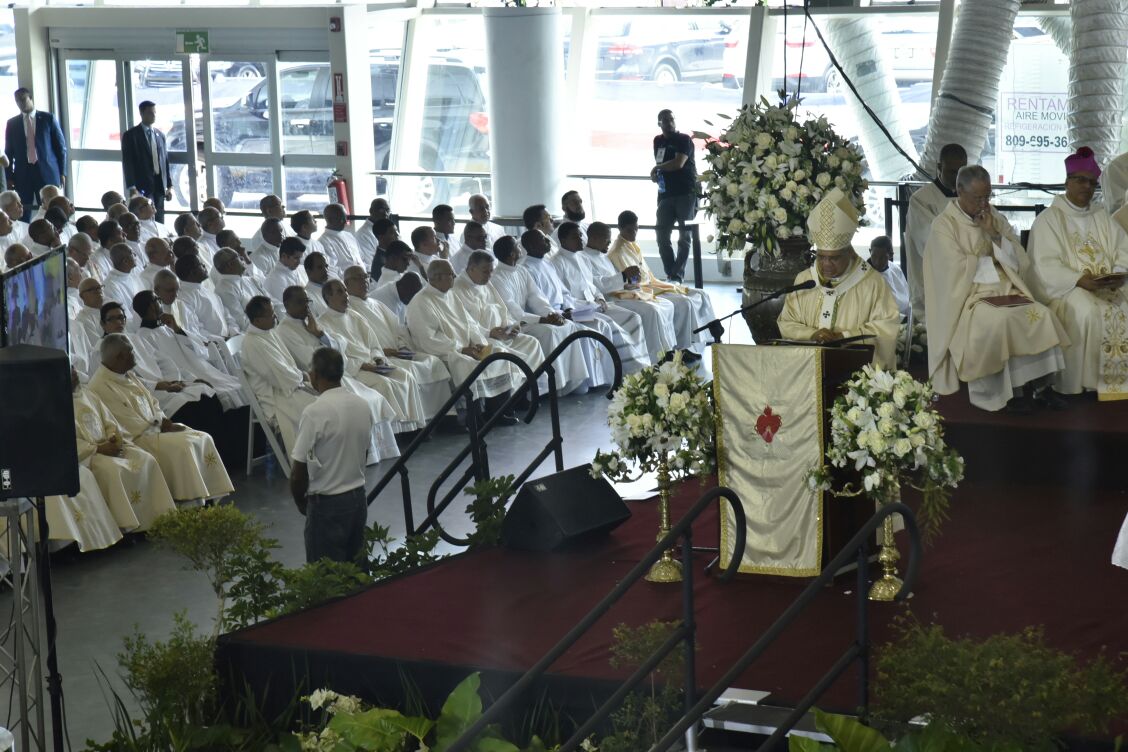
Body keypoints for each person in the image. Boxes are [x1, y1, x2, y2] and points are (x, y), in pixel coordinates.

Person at [924, 165, 1068, 412]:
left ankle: (1041, 387)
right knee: (999, 322)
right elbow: (949, 271)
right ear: (959, 191)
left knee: (1041, 315)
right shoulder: (944, 225)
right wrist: (982, 256)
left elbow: (1020, 259)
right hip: (972, 297)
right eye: (977, 197)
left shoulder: (995, 217)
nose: (983, 203)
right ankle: (1004, 394)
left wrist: (993, 234)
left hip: (1007, 289)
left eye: (987, 196)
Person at [1029, 147, 1128, 400]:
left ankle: (1119, 382)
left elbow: (1122, 249)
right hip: (1068, 289)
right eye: (1080, 180)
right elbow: (1045, 265)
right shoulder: (1049, 219)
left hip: (1107, 285)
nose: (1087, 187)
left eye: (1092, 183)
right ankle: (1082, 383)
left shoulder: (1102, 217)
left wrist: (1118, 274)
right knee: (1087, 313)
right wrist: (1079, 280)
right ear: (1067, 183)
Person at [88, 334, 234, 503]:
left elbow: (152, 401)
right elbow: (125, 421)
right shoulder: (100, 386)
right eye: (131, 352)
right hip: (139, 438)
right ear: (119, 357)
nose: (135, 355)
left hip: (155, 429)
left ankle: (207, 495)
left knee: (203, 437)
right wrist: (158, 425)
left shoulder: (128, 374)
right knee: (184, 447)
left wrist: (161, 418)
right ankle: (190, 501)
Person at [777, 187, 900, 369]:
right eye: (821, 256)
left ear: (849, 253)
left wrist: (844, 336)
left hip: (855, 374)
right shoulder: (804, 280)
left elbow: (886, 328)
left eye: (833, 258)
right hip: (807, 370)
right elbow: (787, 322)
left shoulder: (872, 282)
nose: (826, 264)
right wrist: (812, 335)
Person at [290, 347, 375, 564]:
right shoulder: (362, 405)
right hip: (357, 497)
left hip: (327, 503)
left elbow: (298, 470)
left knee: (327, 577)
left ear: (315, 375)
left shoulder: (315, 411)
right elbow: (363, 452)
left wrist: (302, 502)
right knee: (357, 570)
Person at [71, 365, 177, 531]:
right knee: (113, 471)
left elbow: (110, 422)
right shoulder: (54, 405)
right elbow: (65, 441)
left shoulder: (89, 395)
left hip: (110, 445)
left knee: (146, 459)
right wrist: (97, 449)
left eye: (75, 370)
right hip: (91, 455)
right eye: (71, 372)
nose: (76, 374)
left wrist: (114, 439)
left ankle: (159, 515)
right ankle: (126, 526)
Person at [406, 260, 525, 405]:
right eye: (451, 274)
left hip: (467, 348)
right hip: (445, 352)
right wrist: (461, 349)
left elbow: (470, 324)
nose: (455, 276)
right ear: (437, 277)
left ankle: (499, 410)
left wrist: (479, 343)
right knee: (467, 365)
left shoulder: (450, 295)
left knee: (500, 353)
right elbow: (428, 339)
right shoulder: (420, 302)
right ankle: (475, 417)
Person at [342, 265, 452, 417]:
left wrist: (402, 347)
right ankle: (419, 420)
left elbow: (397, 329)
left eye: (366, 277)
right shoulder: (348, 310)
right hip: (381, 358)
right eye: (358, 278)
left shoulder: (377, 304)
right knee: (410, 371)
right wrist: (383, 353)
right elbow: (357, 342)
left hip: (398, 353)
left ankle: (445, 415)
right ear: (346, 284)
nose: (364, 281)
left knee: (434, 362)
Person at [319, 279, 429, 432]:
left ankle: (414, 425)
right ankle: (396, 431)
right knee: (384, 384)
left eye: (345, 290)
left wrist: (378, 359)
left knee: (405, 376)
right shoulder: (323, 324)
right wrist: (363, 365)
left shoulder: (356, 316)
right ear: (328, 297)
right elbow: (335, 358)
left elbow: (374, 345)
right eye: (340, 292)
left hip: (373, 364)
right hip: (355, 371)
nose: (346, 295)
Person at [609, 210, 713, 354]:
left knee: (701, 294)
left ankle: (705, 338)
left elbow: (646, 273)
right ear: (620, 228)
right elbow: (632, 280)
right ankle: (681, 348)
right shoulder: (617, 251)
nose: (634, 233)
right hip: (642, 289)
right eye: (629, 230)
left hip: (652, 283)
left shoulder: (630, 244)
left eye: (636, 229)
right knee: (684, 303)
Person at [583, 221, 678, 356]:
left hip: (623, 292)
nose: (609, 242)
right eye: (606, 238)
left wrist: (630, 281)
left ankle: (669, 349)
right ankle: (656, 355)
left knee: (666, 304)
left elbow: (617, 277)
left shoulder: (603, 256)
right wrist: (623, 276)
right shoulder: (584, 258)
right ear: (594, 238)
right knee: (651, 311)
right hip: (611, 298)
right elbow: (599, 285)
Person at [905, 144, 967, 325]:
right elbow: (930, 243)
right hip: (932, 285)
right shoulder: (922, 200)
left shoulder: (969, 198)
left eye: (961, 172)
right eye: (952, 172)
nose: (957, 178)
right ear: (939, 168)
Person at [4, 88, 67, 221]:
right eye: (17, 101)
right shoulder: (12, 123)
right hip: (23, 174)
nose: (20, 103)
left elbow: (60, 148)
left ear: (30, 98)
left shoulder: (48, 118)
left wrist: (62, 172)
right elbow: (8, 152)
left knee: (51, 209)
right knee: (22, 210)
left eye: (23, 99)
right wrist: (8, 176)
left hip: (47, 172)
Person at [651, 109, 697, 283]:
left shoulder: (684, 139)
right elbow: (660, 162)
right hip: (665, 195)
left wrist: (657, 169)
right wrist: (658, 172)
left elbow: (678, 163)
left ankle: (677, 276)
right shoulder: (658, 141)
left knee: (684, 237)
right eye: (664, 120)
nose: (669, 122)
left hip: (686, 193)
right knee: (662, 235)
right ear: (659, 123)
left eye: (671, 119)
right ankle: (671, 272)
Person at [121, 100, 172, 223]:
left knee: (159, 217)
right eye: (150, 113)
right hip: (142, 184)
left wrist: (169, 185)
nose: (154, 115)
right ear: (141, 113)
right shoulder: (131, 135)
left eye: (154, 112)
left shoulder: (160, 135)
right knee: (145, 216)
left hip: (159, 184)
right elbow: (128, 162)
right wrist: (132, 186)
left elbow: (165, 162)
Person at [868, 235, 911, 320]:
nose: (877, 262)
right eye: (874, 256)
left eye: (882, 258)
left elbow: (908, 297)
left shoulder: (896, 270)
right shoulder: (864, 276)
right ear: (870, 251)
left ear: (890, 255)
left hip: (904, 319)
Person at [319, 203, 364, 275]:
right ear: (330, 220)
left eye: (346, 217)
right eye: (342, 218)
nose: (346, 221)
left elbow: (361, 258)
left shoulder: (349, 235)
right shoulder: (324, 241)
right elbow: (332, 269)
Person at [265, 237, 310, 305]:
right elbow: (286, 307)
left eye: (300, 258)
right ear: (284, 256)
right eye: (296, 258)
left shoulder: (299, 269)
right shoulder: (275, 278)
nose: (299, 262)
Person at [354, 197, 392, 268]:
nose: (386, 214)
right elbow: (370, 263)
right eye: (381, 210)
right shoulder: (363, 234)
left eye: (388, 210)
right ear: (371, 211)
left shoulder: (388, 230)